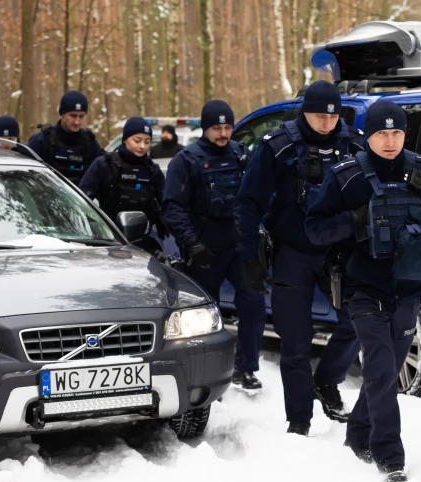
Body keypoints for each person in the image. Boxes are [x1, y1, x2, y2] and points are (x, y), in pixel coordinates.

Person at [304, 100, 421, 482]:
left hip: (409, 287)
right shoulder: (345, 177)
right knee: (378, 366)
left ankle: (358, 433)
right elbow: (315, 228)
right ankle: (389, 454)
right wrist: (357, 221)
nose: (389, 141)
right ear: (367, 136)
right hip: (363, 287)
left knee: (388, 370)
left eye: (396, 133)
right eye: (380, 134)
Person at [237, 80, 365, 435]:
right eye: (317, 115)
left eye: (332, 115)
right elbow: (249, 203)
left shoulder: (354, 145)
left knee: (357, 318)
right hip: (292, 253)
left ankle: (327, 379)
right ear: (304, 112)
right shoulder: (278, 147)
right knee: (295, 341)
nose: (325, 123)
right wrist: (249, 257)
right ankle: (299, 420)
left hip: (338, 252)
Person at [163, 100, 266, 391]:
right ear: (205, 128)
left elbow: (255, 196)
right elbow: (172, 206)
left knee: (254, 303)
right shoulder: (186, 160)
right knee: (205, 316)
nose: (223, 133)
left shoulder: (241, 154)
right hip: (204, 250)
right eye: (216, 128)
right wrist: (191, 242)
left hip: (239, 247)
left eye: (227, 127)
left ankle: (245, 367)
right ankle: (205, 373)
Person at [79, 116, 166, 255]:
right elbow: (82, 200)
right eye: (137, 140)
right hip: (108, 241)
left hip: (142, 242)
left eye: (147, 141)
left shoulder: (152, 170)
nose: (142, 146)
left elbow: (167, 202)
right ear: (125, 139)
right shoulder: (104, 164)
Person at [26, 90, 104, 183]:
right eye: (73, 116)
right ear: (62, 114)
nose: (77, 122)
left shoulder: (90, 143)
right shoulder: (42, 140)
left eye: (81, 116)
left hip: (79, 196)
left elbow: (103, 172)